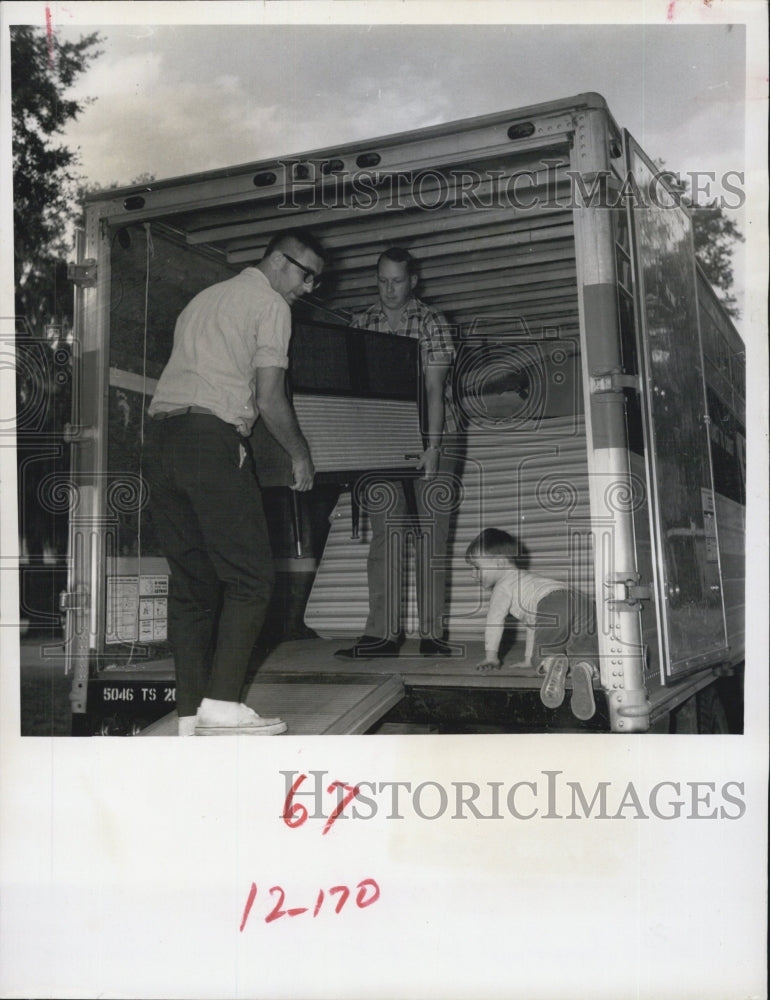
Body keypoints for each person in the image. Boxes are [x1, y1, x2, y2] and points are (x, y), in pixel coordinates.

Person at [144, 229, 325, 735]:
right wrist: (300, 456)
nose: (309, 289)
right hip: (210, 440)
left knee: (192, 587)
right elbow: (268, 399)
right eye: (306, 275)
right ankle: (222, 705)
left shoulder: (204, 298)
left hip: (162, 442)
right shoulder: (270, 305)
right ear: (277, 260)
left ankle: (188, 714)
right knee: (250, 580)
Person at [336, 247, 461, 660]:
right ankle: (382, 635)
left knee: (431, 535)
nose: (389, 290)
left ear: (413, 282)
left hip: (433, 429)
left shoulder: (431, 321)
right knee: (385, 533)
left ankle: (433, 634)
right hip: (383, 436)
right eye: (382, 281)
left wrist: (434, 448)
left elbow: (433, 392)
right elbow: (355, 395)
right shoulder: (361, 322)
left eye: (397, 282)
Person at [465, 528, 599, 721]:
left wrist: (491, 656)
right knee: (584, 646)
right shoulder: (528, 580)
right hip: (582, 601)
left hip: (552, 603)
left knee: (545, 654)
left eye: (477, 567)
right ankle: (586, 668)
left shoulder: (503, 587)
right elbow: (533, 625)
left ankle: (553, 662)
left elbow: (494, 622)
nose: (472, 575)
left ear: (500, 563)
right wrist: (527, 659)